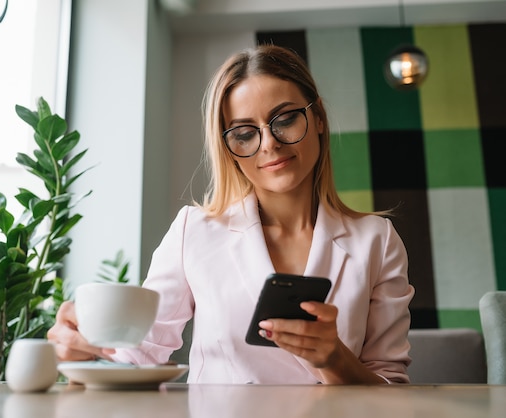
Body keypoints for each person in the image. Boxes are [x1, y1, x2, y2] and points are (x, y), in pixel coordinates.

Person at [47, 44, 415, 385]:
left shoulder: (377, 240)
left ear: (317, 117)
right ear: (229, 147)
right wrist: (82, 359)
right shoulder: (195, 231)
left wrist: (335, 359)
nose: (269, 143)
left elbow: (392, 389)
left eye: (285, 119)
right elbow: (135, 356)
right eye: (244, 133)